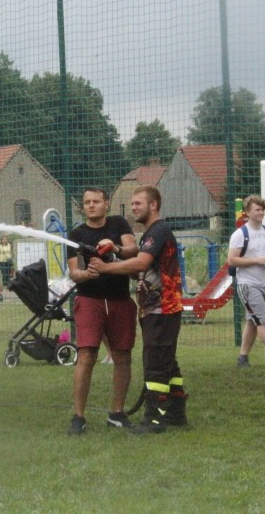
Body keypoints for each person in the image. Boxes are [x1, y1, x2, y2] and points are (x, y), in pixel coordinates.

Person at [89, 185, 186, 435]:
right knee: (167, 362)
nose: (133, 208)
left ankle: (154, 420)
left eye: (138, 203)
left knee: (155, 364)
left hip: (163, 308)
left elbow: (141, 262)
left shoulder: (159, 230)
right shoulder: (149, 234)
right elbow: (138, 270)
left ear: (153, 205)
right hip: (154, 309)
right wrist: (115, 254)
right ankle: (176, 413)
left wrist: (105, 269)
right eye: (132, 204)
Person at [65, 188, 139, 435]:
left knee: (122, 356)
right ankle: (78, 417)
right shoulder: (77, 234)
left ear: (106, 204)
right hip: (89, 300)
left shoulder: (119, 223)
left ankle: (117, 413)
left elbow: (133, 251)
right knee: (86, 356)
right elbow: (74, 272)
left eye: (96, 201)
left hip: (120, 299)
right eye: (87, 202)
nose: (91, 205)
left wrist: (114, 248)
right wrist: (87, 274)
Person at [229, 196, 265, 370]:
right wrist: (256, 260)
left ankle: (242, 358)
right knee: (262, 320)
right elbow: (232, 260)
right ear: (247, 212)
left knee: (253, 321)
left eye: (262, 209)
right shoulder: (240, 235)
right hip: (248, 285)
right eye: (257, 209)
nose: (261, 213)